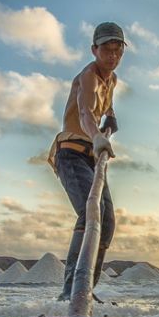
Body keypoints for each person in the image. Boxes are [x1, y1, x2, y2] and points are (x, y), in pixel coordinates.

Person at [46, 22, 125, 301]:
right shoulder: (88, 75)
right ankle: (71, 291)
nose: (112, 56)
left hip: (91, 157)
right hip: (70, 153)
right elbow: (85, 111)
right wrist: (97, 136)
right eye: (106, 50)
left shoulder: (111, 79)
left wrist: (112, 116)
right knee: (89, 215)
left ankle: (86, 290)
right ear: (94, 50)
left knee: (108, 221)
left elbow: (105, 105)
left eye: (118, 51)